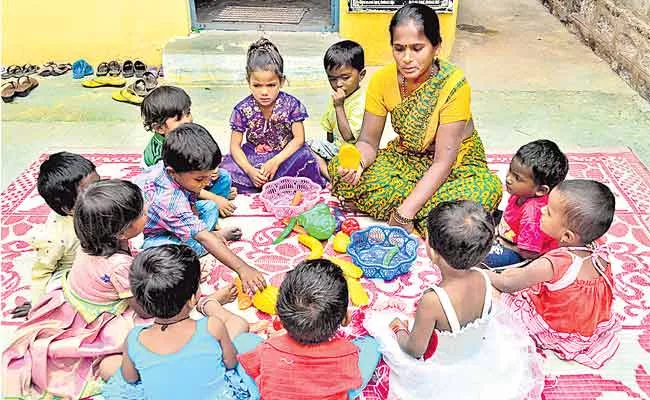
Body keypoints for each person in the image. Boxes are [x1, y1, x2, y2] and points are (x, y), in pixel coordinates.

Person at [331, 4, 501, 236]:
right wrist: (358, 164)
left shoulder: (453, 85)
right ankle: (436, 219)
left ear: (436, 47)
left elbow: (443, 162)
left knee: (485, 190)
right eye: (399, 49)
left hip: (455, 166)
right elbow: (369, 143)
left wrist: (403, 214)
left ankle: (422, 211)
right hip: (407, 157)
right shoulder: (382, 80)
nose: (407, 59)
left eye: (417, 48)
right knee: (339, 170)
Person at [365, 200, 543, 400]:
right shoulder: (485, 277)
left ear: (430, 250)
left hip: (441, 374)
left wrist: (399, 330)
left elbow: (415, 350)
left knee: (379, 323)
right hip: (478, 357)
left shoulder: (432, 300)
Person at [2, 180, 151, 399]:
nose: (147, 210)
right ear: (121, 233)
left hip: (73, 299)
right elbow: (143, 308)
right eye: (141, 213)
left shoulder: (89, 242)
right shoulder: (118, 265)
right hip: (98, 317)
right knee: (153, 325)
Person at [489, 180, 622, 368]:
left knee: (494, 294)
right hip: (587, 322)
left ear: (567, 237)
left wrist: (483, 276)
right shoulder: (596, 246)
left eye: (549, 211)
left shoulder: (555, 263)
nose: (542, 210)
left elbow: (509, 284)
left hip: (557, 326)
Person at [101, 244, 254, 400]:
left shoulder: (134, 338)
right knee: (247, 339)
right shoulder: (212, 326)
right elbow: (230, 363)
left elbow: (130, 378)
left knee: (107, 365)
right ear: (193, 297)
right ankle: (210, 303)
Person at [137, 123, 266, 295]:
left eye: (207, 175)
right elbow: (201, 235)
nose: (206, 183)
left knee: (211, 206)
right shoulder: (169, 200)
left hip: (183, 214)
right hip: (159, 234)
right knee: (166, 254)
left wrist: (200, 191)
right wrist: (242, 268)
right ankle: (214, 238)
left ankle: (210, 237)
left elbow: (193, 199)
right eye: (199, 179)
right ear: (172, 172)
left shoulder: (178, 171)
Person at [237, 259, 381, 400]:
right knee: (371, 345)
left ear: (279, 317)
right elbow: (354, 378)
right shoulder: (348, 353)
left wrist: (278, 343)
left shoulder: (267, 349)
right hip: (336, 388)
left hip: (276, 386)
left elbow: (251, 364)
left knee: (243, 340)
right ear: (345, 318)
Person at [221, 38, 326, 193]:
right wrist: (250, 170)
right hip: (254, 158)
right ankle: (275, 183)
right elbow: (234, 146)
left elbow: (299, 139)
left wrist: (275, 161)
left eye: (271, 85)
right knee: (225, 168)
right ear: (248, 81)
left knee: (305, 156)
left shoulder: (291, 105)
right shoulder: (242, 109)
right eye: (257, 85)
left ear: (281, 81)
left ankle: (271, 183)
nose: (264, 92)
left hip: (284, 157)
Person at [10, 152, 99, 318]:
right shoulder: (56, 238)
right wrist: (38, 304)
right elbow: (42, 272)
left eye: (99, 184)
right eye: (91, 192)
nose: (102, 193)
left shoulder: (98, 205)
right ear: (68, 209)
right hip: (71, 275)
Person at [141, 86, 238, 217]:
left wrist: (209, 171)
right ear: (159, 128)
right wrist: (215, 198)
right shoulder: (162, 154)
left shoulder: (184, 136)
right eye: (179, 119)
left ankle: (216, 201)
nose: (187, 120)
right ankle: (204, 217)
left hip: (192, 181)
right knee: (209, 208)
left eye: (187, 113)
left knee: (224, 176)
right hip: (172, 195)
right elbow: (178, 185)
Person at [484, 140, 569, 269]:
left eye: (517, 178)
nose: (508, 179)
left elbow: (529, 253)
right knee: (478, 216)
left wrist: (502, 243)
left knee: (482, 255)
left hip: (521, 252)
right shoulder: (523, 192)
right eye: (510, 171)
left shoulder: (532, 214)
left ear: (541, 190)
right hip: (511, 232)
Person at [309, 40, 366, 180]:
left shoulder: (361, 101)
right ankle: (329, 175)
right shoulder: (336, 98)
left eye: (345, 77)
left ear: (362, 75)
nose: (338, 84)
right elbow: (329, 129)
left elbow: (349, 137)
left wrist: (339, 107)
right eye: (332, 79)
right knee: (307, 146)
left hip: (354, 151)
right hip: (335, 148)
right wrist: (326, 148)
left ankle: (331, 176)